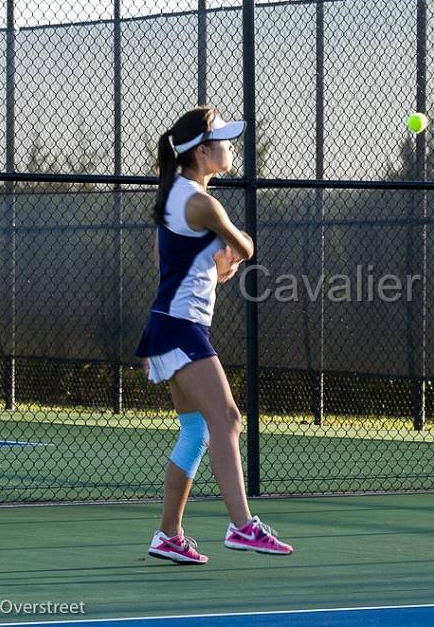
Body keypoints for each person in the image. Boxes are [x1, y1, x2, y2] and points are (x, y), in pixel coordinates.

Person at [134, 105, 293, 564]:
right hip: (180, 327)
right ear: (202, 152)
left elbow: (174, 263)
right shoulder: (203, 202)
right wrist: (234, 250)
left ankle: (168, 536)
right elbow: (244, 246)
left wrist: (216, 264)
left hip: (169, 323)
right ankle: (243, 527)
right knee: (227, 418)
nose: (229, 146)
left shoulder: (174, 195)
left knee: (196, 431)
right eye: (221, 140)